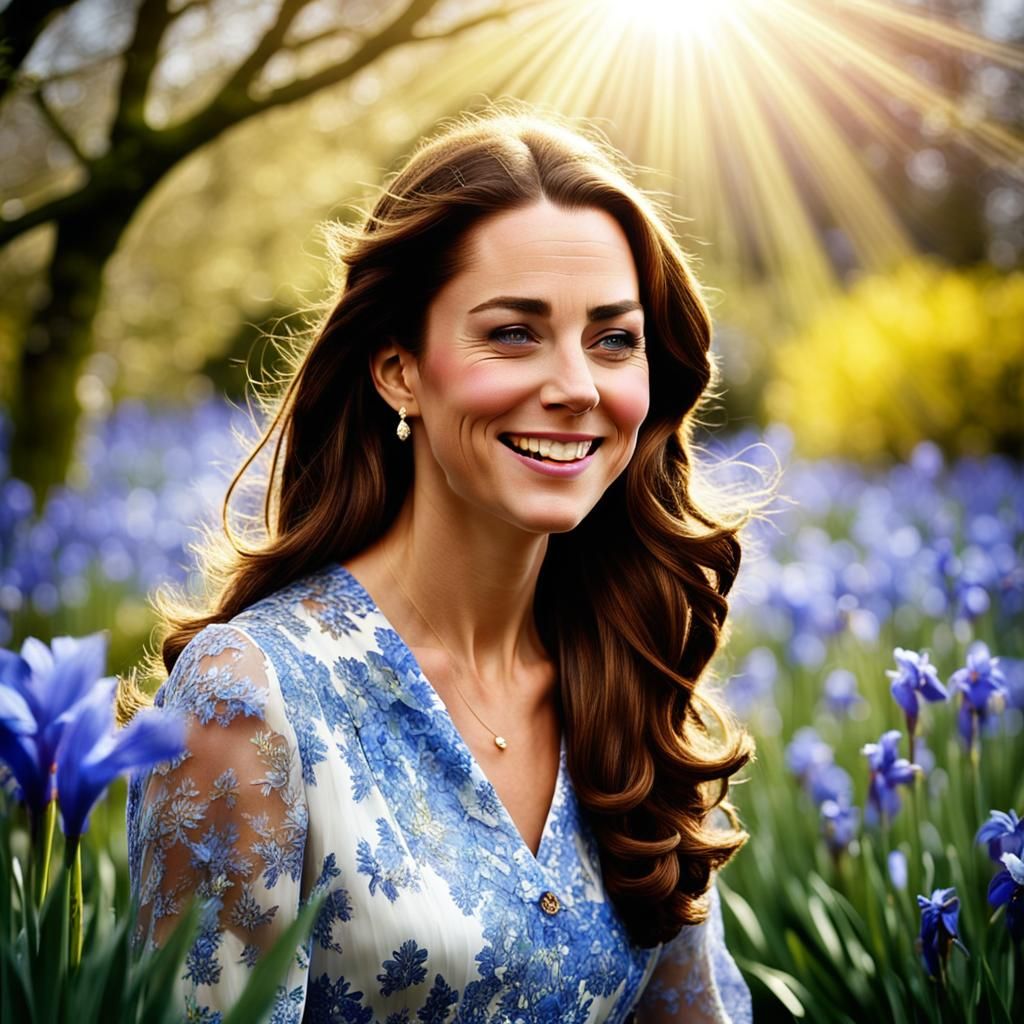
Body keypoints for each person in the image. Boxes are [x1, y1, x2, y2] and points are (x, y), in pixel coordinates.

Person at [125, 105, 756, 1023]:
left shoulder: (625, 673)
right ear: (398, 370)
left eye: (613, 340)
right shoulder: (252, 699)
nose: (577, 387)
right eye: (513, 333)